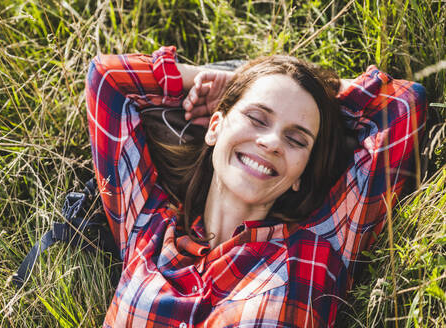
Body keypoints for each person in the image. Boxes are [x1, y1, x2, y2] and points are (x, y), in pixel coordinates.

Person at [85, 46, 427, 327]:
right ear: (215, 126)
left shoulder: (321, 246)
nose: (272, 142)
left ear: (302, 174)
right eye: (257, 118)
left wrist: (302, 89)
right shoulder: (147, 227)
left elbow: (402, 106)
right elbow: (108, 80)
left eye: (296, 139)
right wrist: (237, 81)